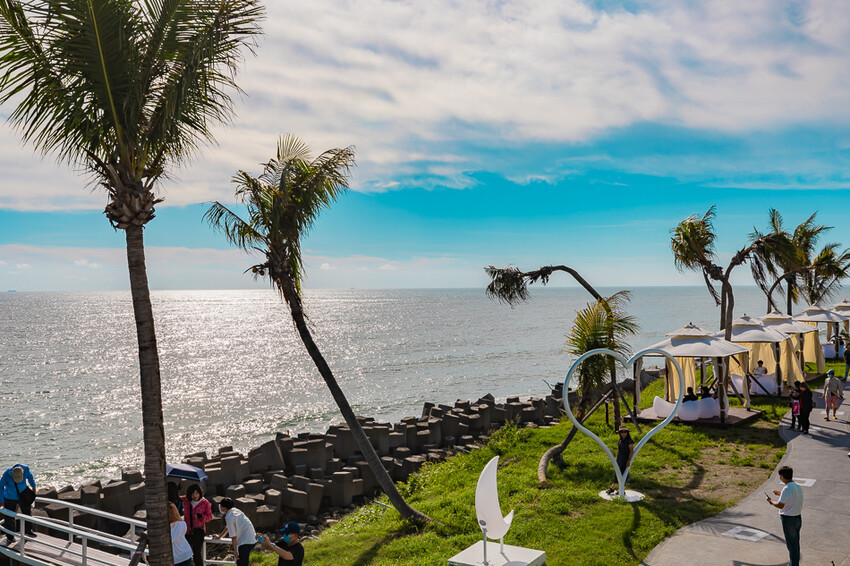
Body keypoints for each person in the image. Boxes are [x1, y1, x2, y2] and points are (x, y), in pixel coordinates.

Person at [766, 466, 803, 566]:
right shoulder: (798, 487)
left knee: (791, 546)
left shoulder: (786, 489)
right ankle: (794, 563)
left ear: (782, 476)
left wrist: (770, 501)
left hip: (788, 520)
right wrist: (780, 494)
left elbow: (780, 505)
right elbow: (792, 498)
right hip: (797, 518)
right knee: (795, 544)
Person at [0, 464, 36, 545]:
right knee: (9, 517)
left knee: (27, 513)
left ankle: (28, 531)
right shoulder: (6, 474)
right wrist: (1, 501)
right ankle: (10, 537)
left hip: (23, 495)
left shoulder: (26, 469)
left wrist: (34, 487)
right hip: (10, 497)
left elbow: (30, 478)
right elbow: (0, 486)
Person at [214, 498, 256, 566]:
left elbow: (233, 536)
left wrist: (235, 551)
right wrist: (220, 536)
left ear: (223, 508)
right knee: (242, 562)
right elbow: (228, 527)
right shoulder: (235, 511)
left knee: (241, 563)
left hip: (245, 542)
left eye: (221, 506)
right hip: (252, 539)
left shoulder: (229, 517)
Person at [182, 484, 213, 566]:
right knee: (185, 553)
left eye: (196, 493)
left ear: (200, 493)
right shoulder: (186, 501)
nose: (194, 496)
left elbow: (209, 517)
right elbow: (176, 497)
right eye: (192, 494)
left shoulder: (205, 502)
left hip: (198, 530)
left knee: (196, 553)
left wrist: (201, 517)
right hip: (186, 530)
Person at [606, 426, 634, 495]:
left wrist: (629, 460)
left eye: (625, 432)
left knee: (621, 473)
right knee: (618, 473)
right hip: (619, 459)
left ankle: (613, 488)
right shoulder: (621, 440)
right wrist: (616, 458)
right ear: (619, 433)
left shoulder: (629, 441)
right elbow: (619, 449)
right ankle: (620, 489)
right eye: (621, 432)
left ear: (627, 432)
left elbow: (631, 451)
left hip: (625, 459)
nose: (623, 433)